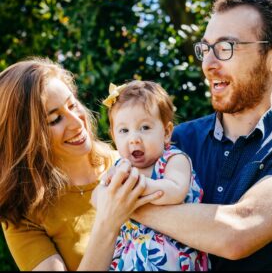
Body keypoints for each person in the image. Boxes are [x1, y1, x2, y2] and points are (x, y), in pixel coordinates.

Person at [124, 0, 272, 271]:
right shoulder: (176, 141)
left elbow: (237, 232)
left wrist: (127, 204)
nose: (208, 64)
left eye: (226, 47)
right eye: (205, 49)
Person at [0, 57, 162, 271]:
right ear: (26, 138)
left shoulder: (136, 163)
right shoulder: (23, 216)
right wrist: (109, 222)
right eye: (55, 119)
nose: (77, 122)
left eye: (72, 105)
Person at [92, 80, 208, 271]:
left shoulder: (174, 160)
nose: (134, 138)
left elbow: (175, 191)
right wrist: (108, 186)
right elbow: (97, 198)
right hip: (129, 259)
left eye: (145, 128)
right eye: (124, 131)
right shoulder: (121, 166)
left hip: (172, 256)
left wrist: (138, 185)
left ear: (166, 133)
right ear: (114, 137)